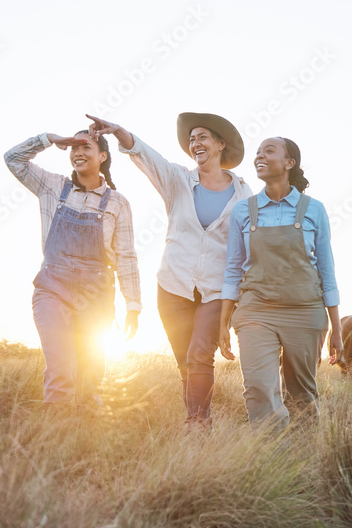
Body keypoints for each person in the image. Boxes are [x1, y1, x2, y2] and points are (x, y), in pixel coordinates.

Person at [85, 112, 253, 431]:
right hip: (173, 286)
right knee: (184, 362)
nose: (195, 143)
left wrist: (241, 297)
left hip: (217, 290)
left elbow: (249, 248)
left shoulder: (245, 196)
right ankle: (198, 417)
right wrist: (120, 131)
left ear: (220, 144)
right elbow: (146, 156)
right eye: (192, 139)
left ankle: (197, 423)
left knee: (200, 353)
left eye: (203, 136)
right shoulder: (177, 179)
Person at [4, 128, 140, 411]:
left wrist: (133, 305)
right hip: (53, 289)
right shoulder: (51, 186)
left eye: (86, 147)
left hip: (96, 296)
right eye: (74, 147)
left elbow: (127, 256)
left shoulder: (118, 202)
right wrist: (51, 139)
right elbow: (13, 159)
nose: (78, 152)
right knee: (60, 369)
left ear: (102, 156)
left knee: (90, 380)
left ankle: (87, 445)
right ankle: (57, 442)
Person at [218, 136, 342, 430]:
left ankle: (303, 463)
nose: (259, 155)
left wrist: (337, 326)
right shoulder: (242, 211)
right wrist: (224, 321)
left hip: (305, 311)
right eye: (258, 152)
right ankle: (271, 462)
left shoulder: (314, 209)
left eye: (269, 151)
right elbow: (233, 270)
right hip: (255, 311)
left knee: (302, 395)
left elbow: (327, 270)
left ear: (289, 163)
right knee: (259, 388)